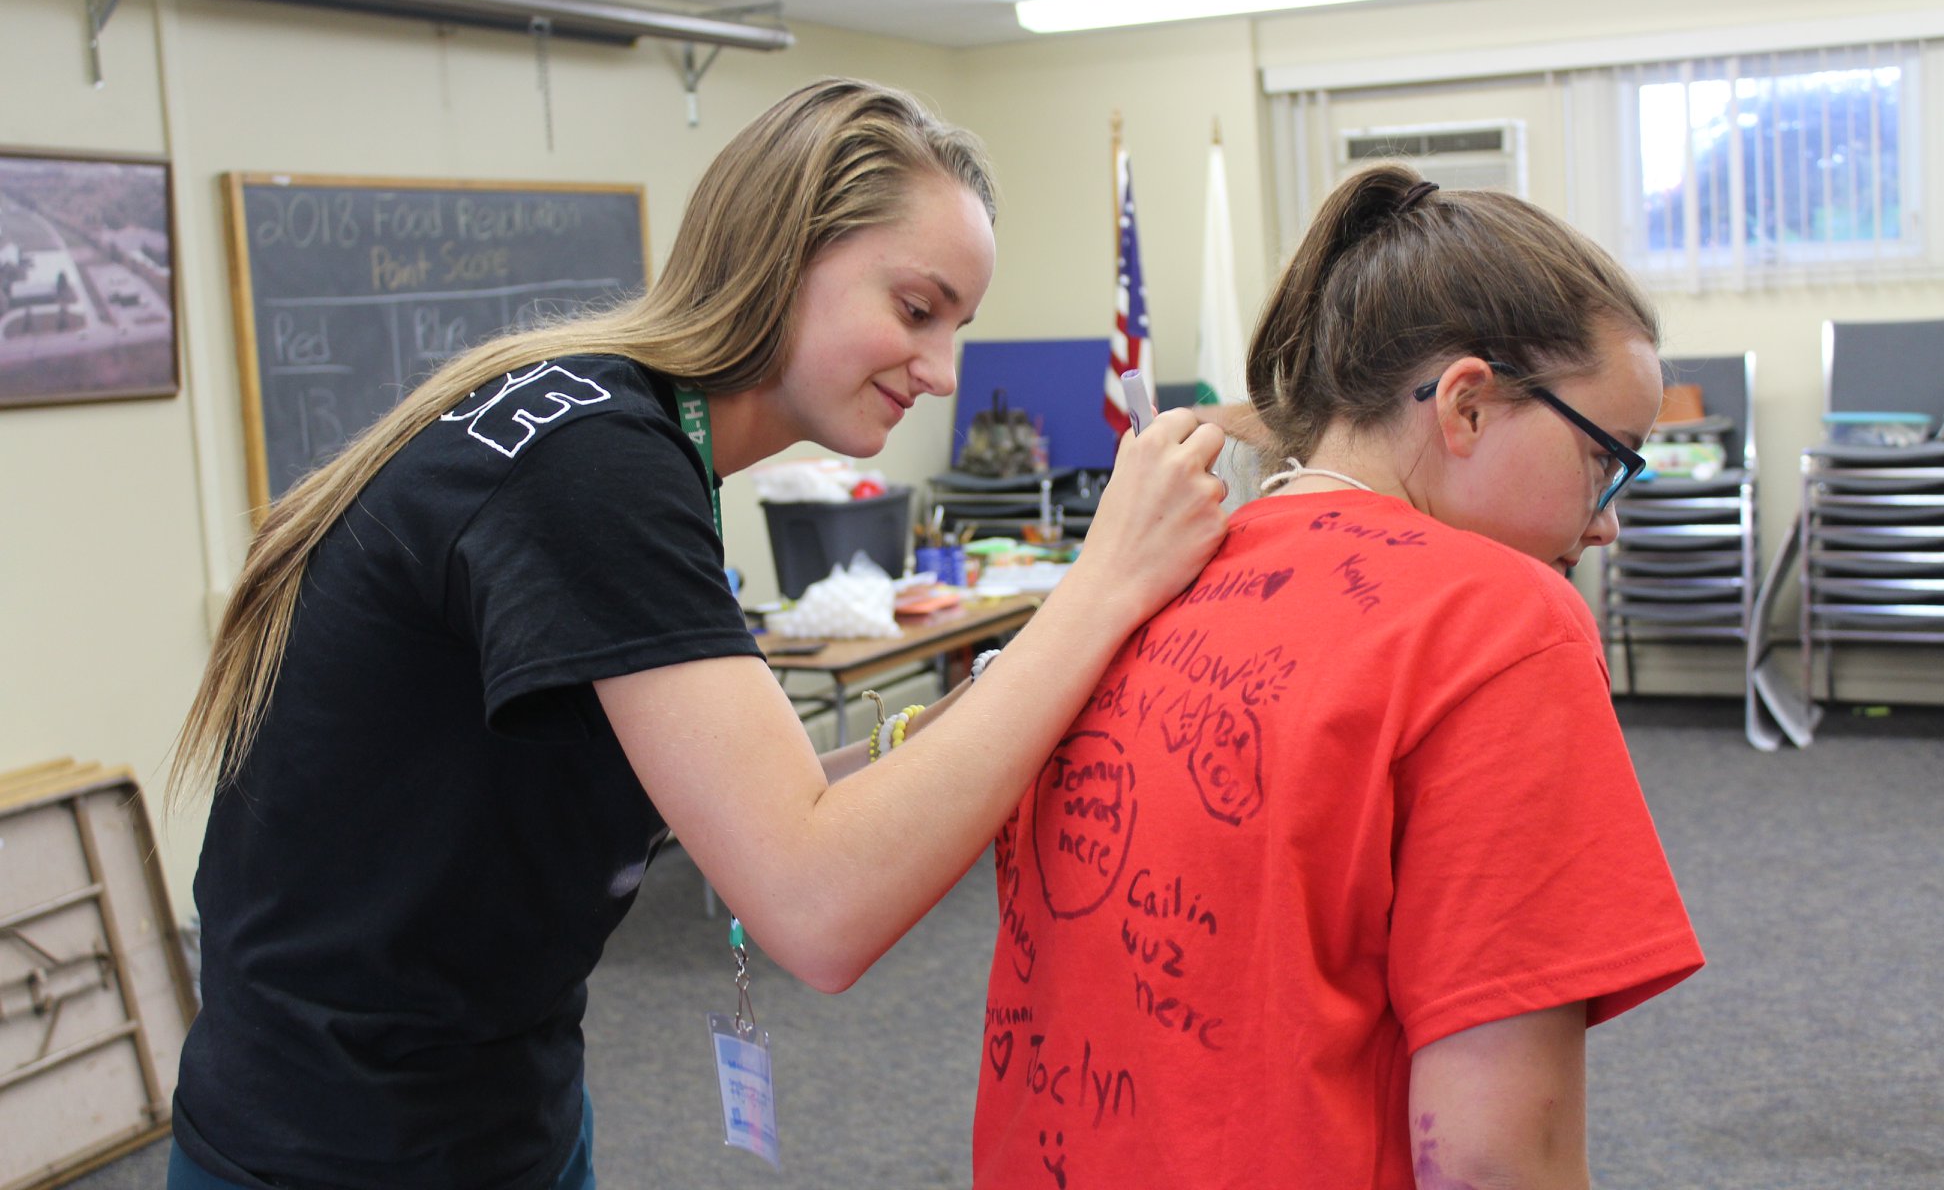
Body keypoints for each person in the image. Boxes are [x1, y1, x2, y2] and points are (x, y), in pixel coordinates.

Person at [163, 77, 1229, 1190]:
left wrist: (979, 707)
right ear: (782, 255)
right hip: (345, 1147)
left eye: (960, 325)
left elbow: (742, 797)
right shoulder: (593, 465)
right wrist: (1101, 586)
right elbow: (818, 904)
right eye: (917, 309)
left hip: (489, 1098)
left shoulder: (617, 433)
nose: (944, 370)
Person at [971, 165, 1705, 1189]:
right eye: (1606, 458)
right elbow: (1498, 1156)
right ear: (1468, 407)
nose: (1608, 518)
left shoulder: (1139, 579)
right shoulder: (1501, 620)